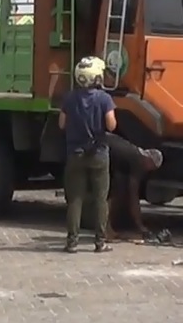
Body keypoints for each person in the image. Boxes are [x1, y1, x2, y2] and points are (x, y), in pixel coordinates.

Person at [58, 56, 117, 253]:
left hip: (75, 154)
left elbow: (61, 124)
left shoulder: (69, 98)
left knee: (75, 199)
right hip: (99, 154)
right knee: (101, 199)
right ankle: (100, 242)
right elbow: (111, 124)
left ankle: (71, 242)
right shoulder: (104, 99)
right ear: (96, 77)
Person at [105, 140, 163, 241]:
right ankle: (106, 231)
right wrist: (140, 226)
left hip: (104, 145)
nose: (147, 171)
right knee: (110, 197)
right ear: (149, 160)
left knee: (114, 193)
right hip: (101, 151)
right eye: (151, 168)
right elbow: (133, 196)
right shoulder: (138, 162)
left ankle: (107, 229)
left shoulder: (134, 152)